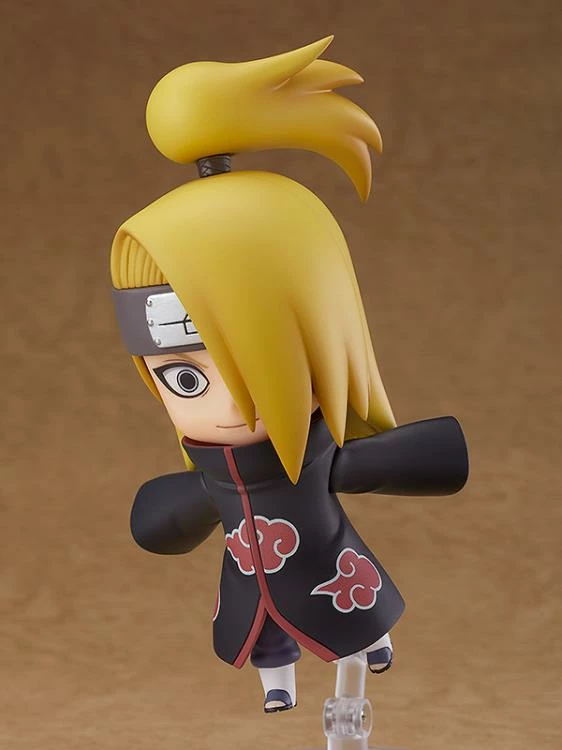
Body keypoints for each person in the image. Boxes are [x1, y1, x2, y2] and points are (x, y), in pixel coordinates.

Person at [110, 36, 469, 713]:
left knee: (348, 595)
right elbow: (162, 519)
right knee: (261, 626)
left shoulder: (320, 458)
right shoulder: (211, 475)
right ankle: (280, 683)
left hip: (328, 559)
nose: (224, 404)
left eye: (253, 366)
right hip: (248, 568)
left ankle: (370, 641)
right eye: (183, 379)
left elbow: (405, 463)